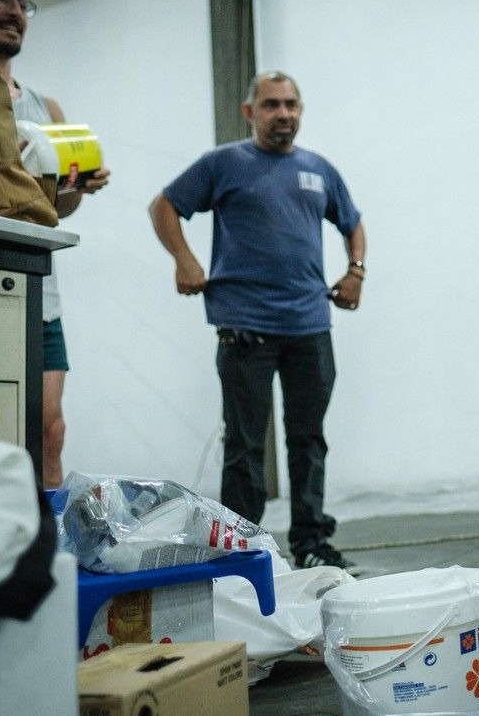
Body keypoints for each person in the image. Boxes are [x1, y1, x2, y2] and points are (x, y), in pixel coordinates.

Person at [149, 71, 366, 572]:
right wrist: (184, 260)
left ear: (301, 110)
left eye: (291, 104)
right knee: (246, 444)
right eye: (271, 105)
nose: (283, 114)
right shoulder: (223, 164)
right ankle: (241, 548)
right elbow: (163, 207)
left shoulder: (319, 170)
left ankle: (311, 542)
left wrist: (355, 272)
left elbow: (352, 223)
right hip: (245, 324)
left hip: (309, 324)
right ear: (250, 112)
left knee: (308, 438)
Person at [0, 0, 111, 489]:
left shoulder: (47, 108)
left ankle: (47, 557)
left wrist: (74, 189)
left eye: (23, 3)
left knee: (47, 426)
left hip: (37, 286)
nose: (16, 11)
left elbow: (56, 213)